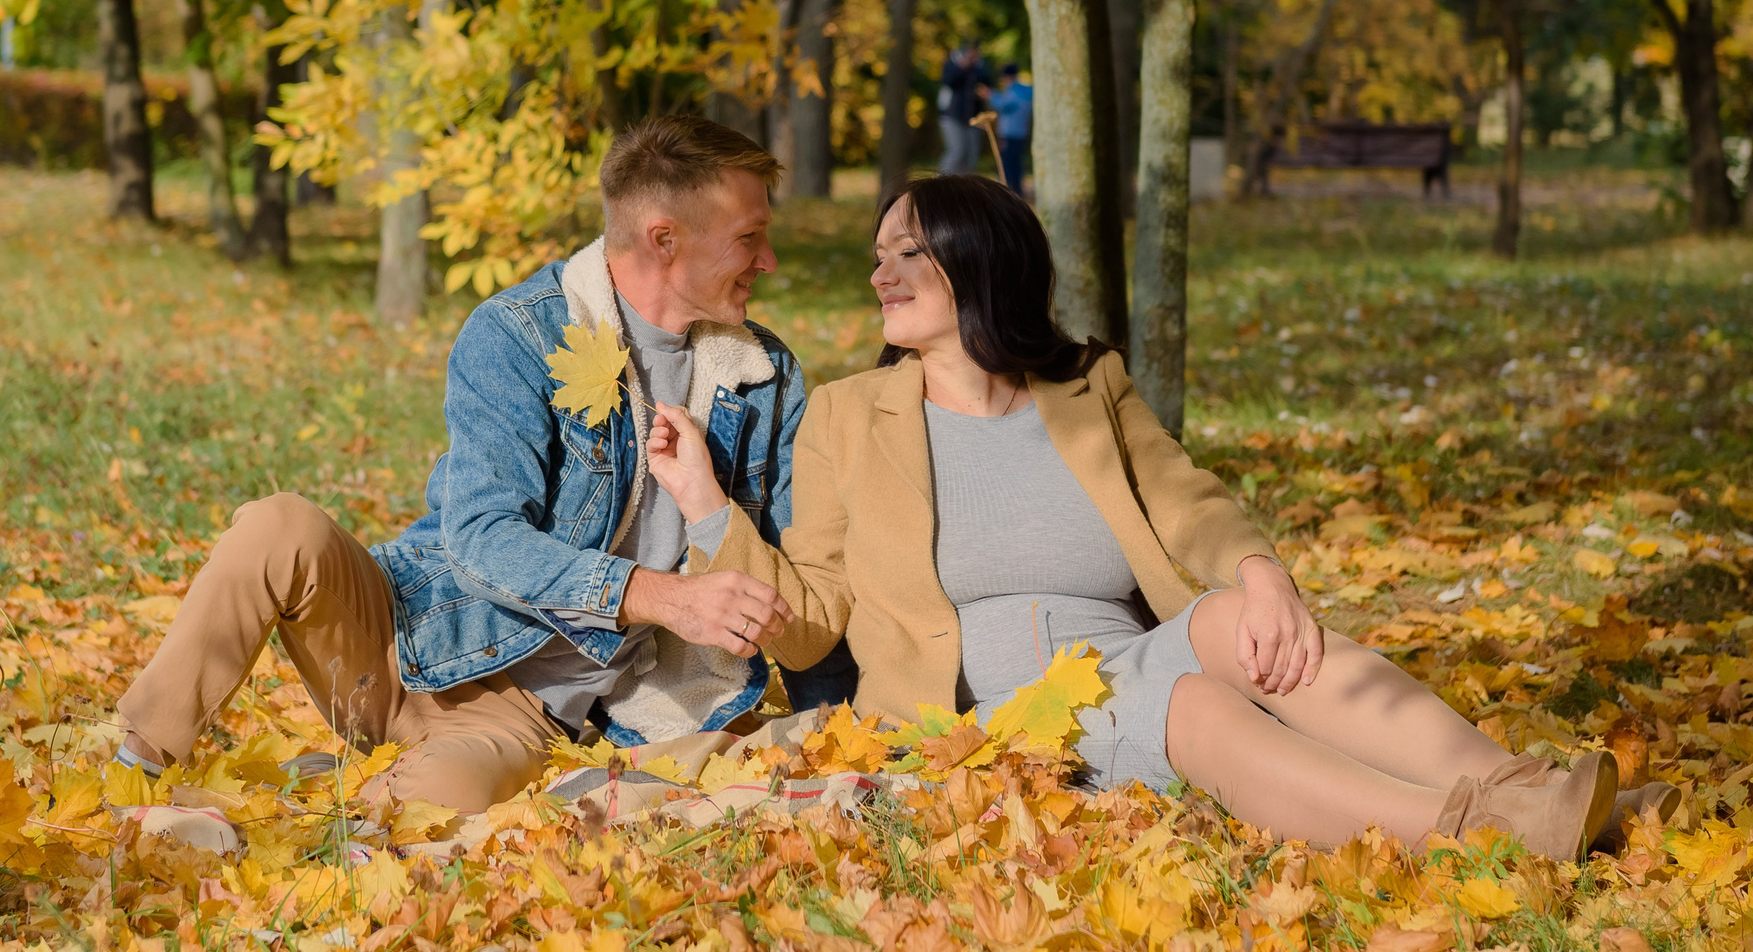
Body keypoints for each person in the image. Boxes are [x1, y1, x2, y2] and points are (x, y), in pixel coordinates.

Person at [645, 176, 1671, 858]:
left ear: (978, 259)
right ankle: (1470, 834)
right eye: (878, 252)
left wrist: (1264, 574)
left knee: (1233, 623)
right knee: (1194, 704)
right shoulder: (845, 416)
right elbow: (814, 612)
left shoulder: (1087, 387)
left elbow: (1191, 504)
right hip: (993, 715)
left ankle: (1521, 788)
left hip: (1128, 657)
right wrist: (705, 505)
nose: (878, 272)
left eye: (906, 250)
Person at [112, 115, 848, 812]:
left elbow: (795, 582)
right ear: (663, 237)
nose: (769, 260)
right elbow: (480, 536)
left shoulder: (762, 377)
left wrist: (844, 723)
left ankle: (330, 799)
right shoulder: (520, 332)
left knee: (431, 806)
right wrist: (661, 596)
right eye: (750, 236)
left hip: (522, 710)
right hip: (407, 628)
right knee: (278, 525)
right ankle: (135, 771)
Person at [936, 46, 989, 175]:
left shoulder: (979, 69)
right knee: (957, 151)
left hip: (973, 119)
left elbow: (988, 82)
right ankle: (940, 182)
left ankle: (964, 188)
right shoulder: (952, 66)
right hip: (952, 117)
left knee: (971, 157)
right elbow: (949, 80)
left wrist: (977, 65)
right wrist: (963, 66)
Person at [992, 62, 1034, 194]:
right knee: (1016, 165)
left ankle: (1009, 193)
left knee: (1008, 166)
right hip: (1021, 133)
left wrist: (990, 95)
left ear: (1007, 77)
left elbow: (1002, 105)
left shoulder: (1013, 92)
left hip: (1009, 133)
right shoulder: (1026, 91)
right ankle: (1016, 191)